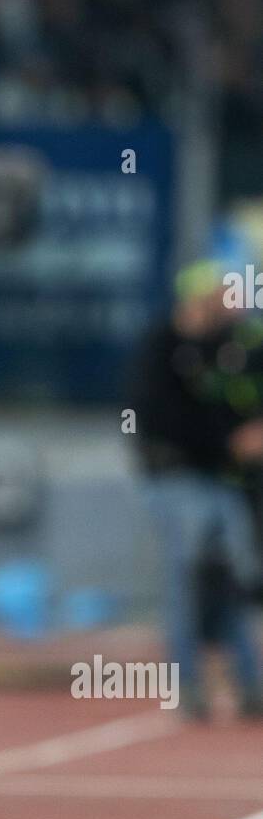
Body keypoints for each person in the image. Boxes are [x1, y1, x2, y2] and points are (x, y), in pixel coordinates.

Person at [128, 259, 263, 723]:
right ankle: (188, 685)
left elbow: (229, 405)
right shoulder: (162, 345)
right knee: (186, 581)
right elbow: (165, 418)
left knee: (232, 581)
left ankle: (249, 683)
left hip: (219, 480)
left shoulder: (223, 348)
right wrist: (229, 440)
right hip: (175, 481)